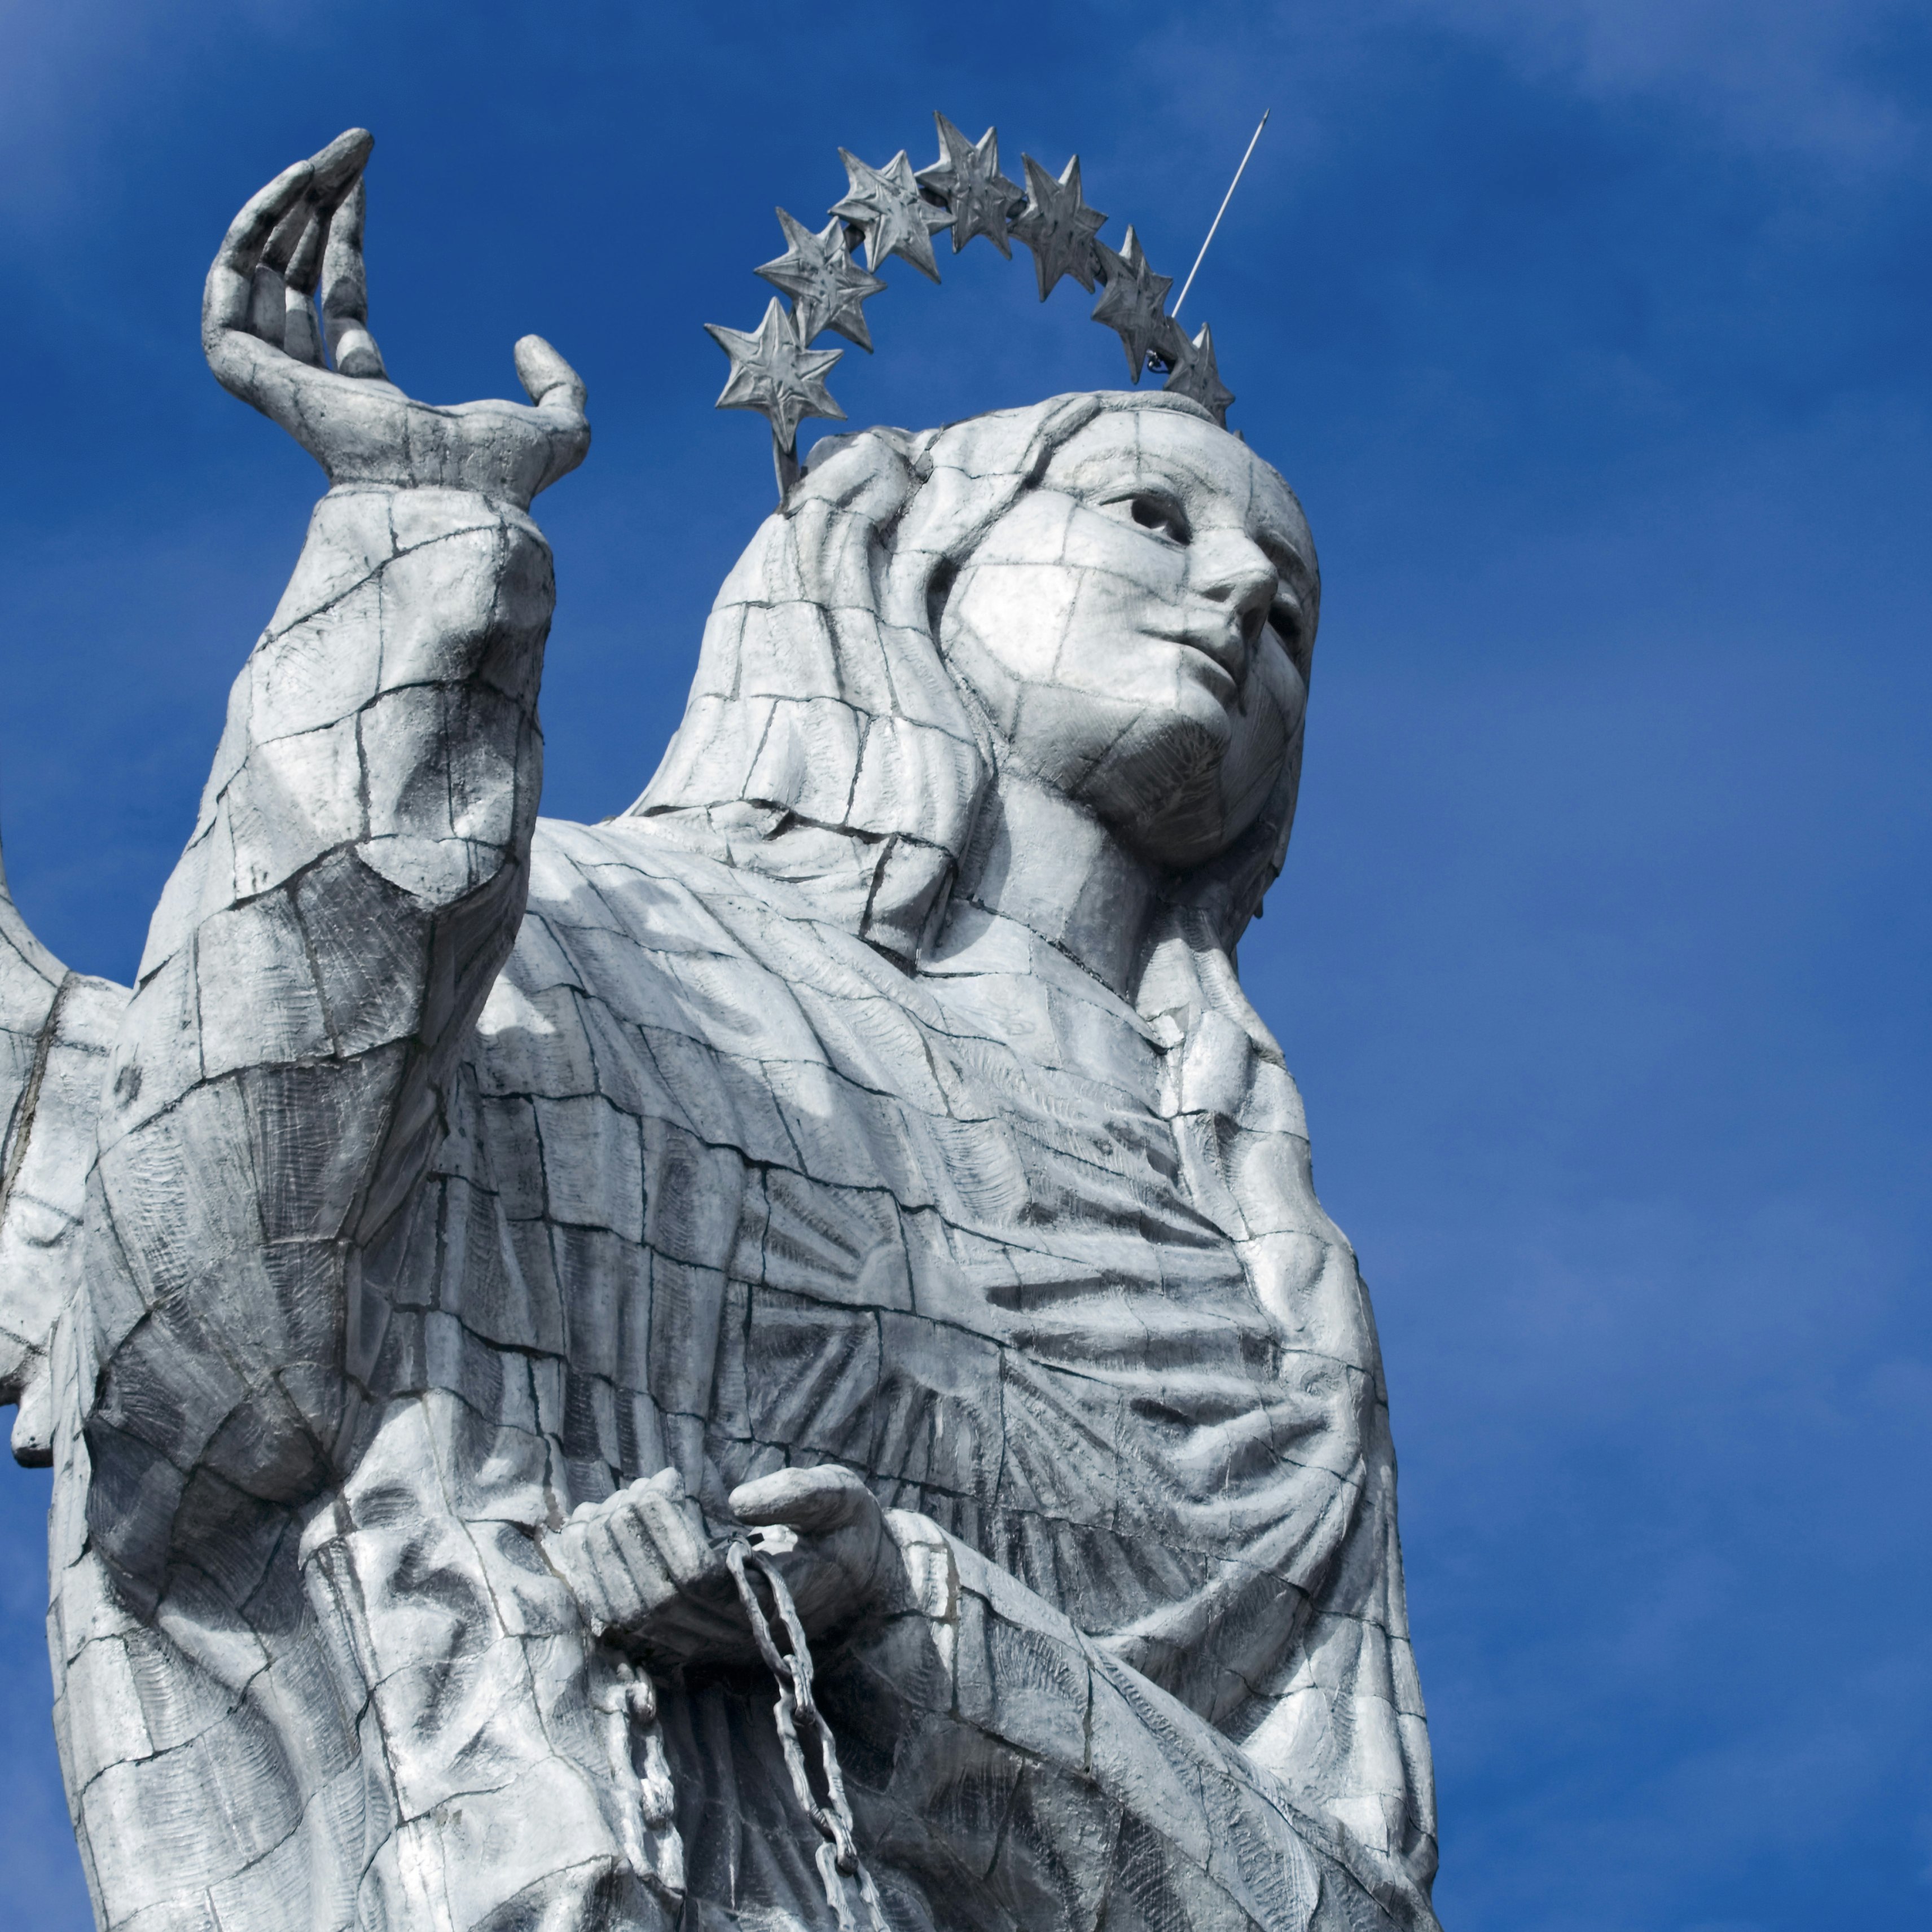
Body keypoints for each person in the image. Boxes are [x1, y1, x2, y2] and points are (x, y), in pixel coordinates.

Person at [3, 131, 1441, 1932]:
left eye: (1295, 608)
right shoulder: (584, 934)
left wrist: (910, 1620)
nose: (1241, 595)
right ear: (910, 551)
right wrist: (418, 564)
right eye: (1153, 515)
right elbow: (208, 1313)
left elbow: (1348, 1893)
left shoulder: (1281, 1285)